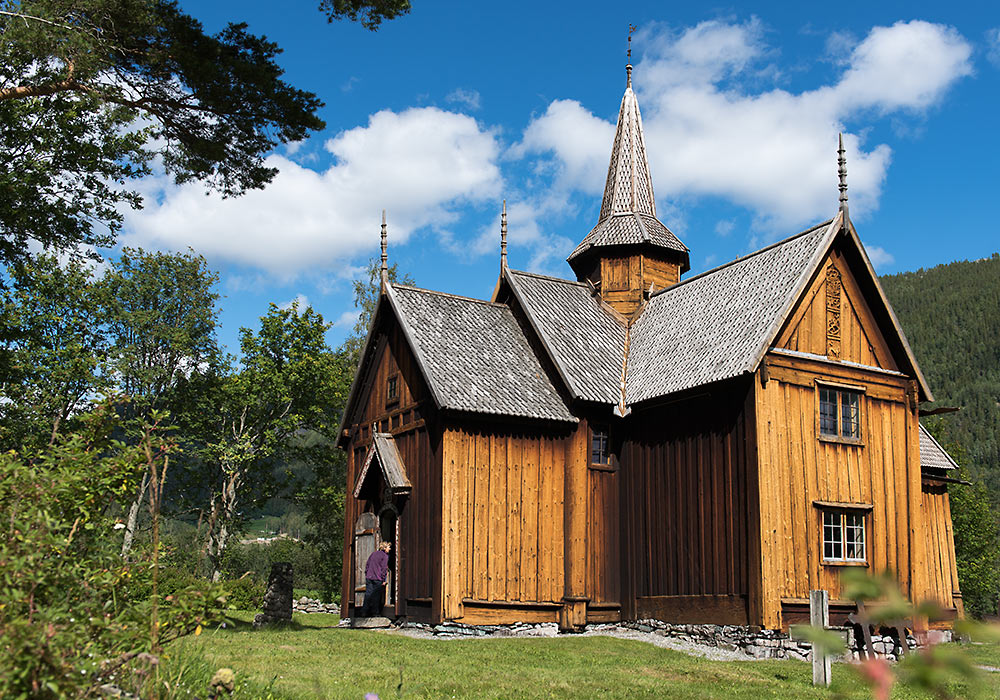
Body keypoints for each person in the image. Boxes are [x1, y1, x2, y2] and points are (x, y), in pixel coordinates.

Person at [361, 540, 391, 617]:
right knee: (376, 595)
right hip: (377, 578)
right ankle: (375, 612)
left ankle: (364, 612)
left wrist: (367, 573)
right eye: (388, 547)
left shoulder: (373, 554)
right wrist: (383, 579)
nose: (390, 549)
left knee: (368, 594)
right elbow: (384, 568)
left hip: (369, 577)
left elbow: (367, 564)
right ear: (384, 548)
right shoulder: (385, 556)